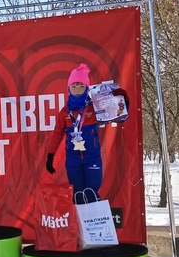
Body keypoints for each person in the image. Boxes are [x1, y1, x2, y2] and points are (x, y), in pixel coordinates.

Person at [45, 63, 128, 201]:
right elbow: (57, 135)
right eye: (74, 85)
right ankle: (77, 222)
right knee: (77, 195)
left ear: (87, 88)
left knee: (91, 193)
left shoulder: (95, 107)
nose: (77, 89)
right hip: (73, 158)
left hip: (92, 157)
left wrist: (122, 100)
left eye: (81, 86)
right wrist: (50, 156)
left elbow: (118, 114)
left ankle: (94, 221)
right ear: (69, 88)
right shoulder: (65, 112)